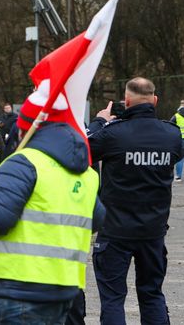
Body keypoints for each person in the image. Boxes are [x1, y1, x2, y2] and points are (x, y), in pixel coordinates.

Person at [0, 87, 105, 324]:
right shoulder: (85, 172)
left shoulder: (24, 163)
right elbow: (97, 219)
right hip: (63, 289)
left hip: (19, 290)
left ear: (28, 127)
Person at [87, 77, 182, 324]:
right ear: (155, 100)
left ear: (126, 102)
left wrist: (100, 121)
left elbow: (80, 149)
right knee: (152, 295)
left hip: (115, 230)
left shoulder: (112, 135)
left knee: (113, 299)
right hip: (153, 231)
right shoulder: (171, 136)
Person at [170, 100, 184, 182]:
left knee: (180, 158)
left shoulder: (176, 116)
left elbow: (170, 125)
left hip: (180, 138)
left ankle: (178, 176)